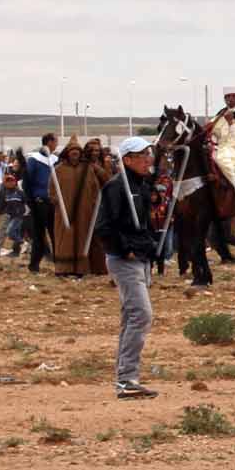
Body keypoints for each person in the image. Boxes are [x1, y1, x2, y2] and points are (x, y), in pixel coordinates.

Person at [93, 134, 169, 398]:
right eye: (142, 155)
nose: (148, 159)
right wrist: (126, 250)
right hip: (125, 260)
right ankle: (126, 379)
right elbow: (104, 226)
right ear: (127, 160)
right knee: (141, 315)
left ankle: (125, 376)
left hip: (141, 258)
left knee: (131, 316)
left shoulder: (142, 185)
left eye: (148, 154)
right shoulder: (116, 187)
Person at [22, 133, 58, 272]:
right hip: (39, 201)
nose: (56, 145)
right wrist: (30, 201)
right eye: (55, 142)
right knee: (39, 234)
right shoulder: (34, 160)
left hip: (53, 202)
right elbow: (27, 182)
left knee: (56, 234)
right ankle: (34, 265)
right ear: (49, 142)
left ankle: (59, 264)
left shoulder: (55, 160)